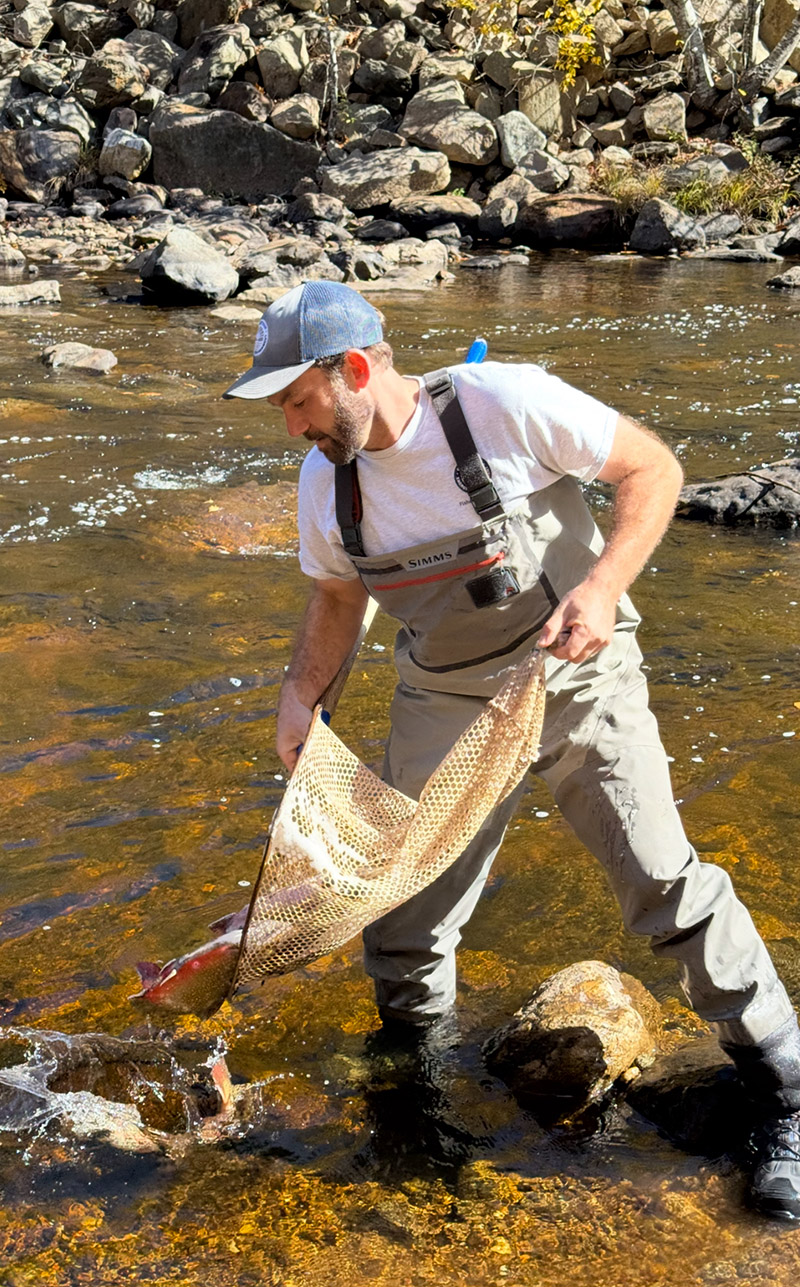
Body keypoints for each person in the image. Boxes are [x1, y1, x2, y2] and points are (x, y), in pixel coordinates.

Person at [225, 280, 800, 1220]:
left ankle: (785, 1090)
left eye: (297, 398)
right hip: (444, 697)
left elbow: (653, 469)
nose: (290, 425)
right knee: (400, 917)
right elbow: (336, 599)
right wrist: (300, 698)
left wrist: (606, 585)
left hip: (578, 681)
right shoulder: (325, 480)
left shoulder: (505, 403)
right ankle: (421, 1100)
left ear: (358, 370)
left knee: (663, 887)